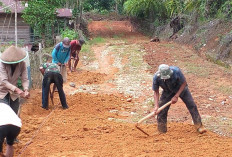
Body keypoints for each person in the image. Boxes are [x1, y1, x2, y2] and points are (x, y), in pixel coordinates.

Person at [152, 64, 206, 134]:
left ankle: (199, 126)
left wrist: (176, 96)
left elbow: (184, 83)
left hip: (181, 89)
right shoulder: (156, 77)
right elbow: (156, 92)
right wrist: (156, 106)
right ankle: (161, 130)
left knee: (192, 105)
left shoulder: (176, 71)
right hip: (167, 91)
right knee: (161, 110)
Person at [0, 46, 30, 115]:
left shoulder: (22, 64)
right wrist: (17, 90)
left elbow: (24, 79)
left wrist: (26, 89)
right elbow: (4, 81)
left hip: (13, 93)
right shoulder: (1, 64)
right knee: (4, 113)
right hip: (2, 91)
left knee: (14, 113)